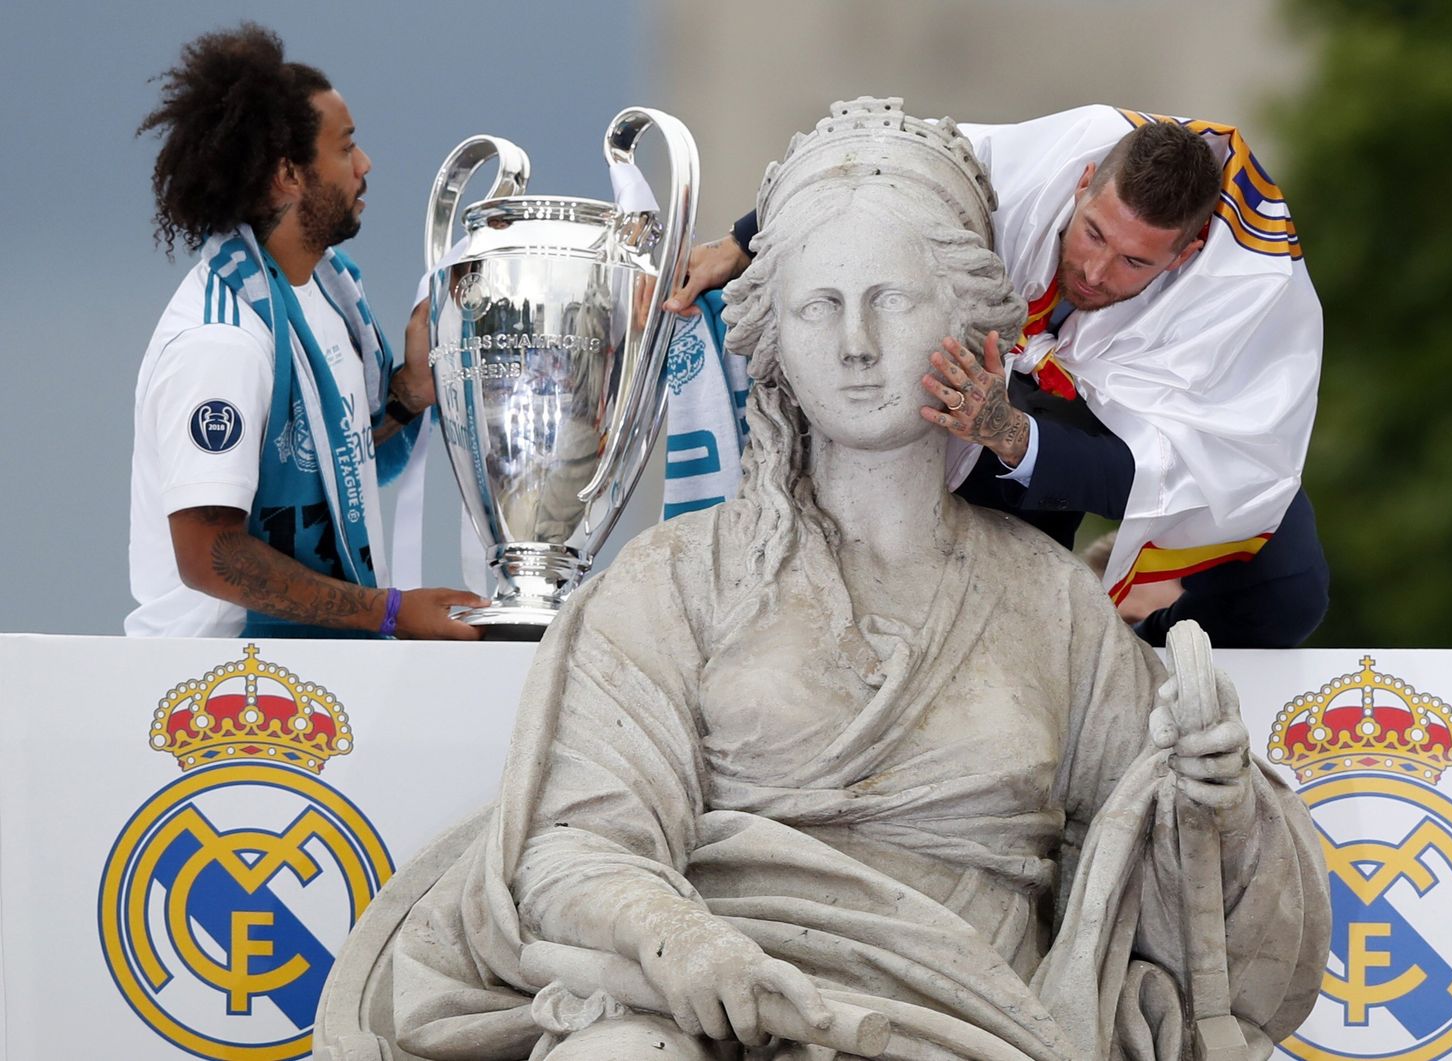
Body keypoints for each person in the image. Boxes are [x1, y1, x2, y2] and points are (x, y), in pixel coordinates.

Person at [388, 99, 1328, 1061]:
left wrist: (1217, 801)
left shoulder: (1056, 602)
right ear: (778, 340)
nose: (856, 345)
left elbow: (1186, 899)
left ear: (967, 321)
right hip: (714, 1006)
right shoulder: (677, 578)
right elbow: (575, 847)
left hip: (969, 1017)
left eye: (893, 299)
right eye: (817, 305)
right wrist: (686, 946)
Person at [667, 105, 1329, 649]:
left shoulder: (1242, 306)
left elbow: (1159, 478)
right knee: (996, 481)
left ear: (1186, 254)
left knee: (1291, 585)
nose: (1097, 272)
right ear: (1084, 180)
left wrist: (1011, 433)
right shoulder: (1038, 162)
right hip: (1002, 380)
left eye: (1134, 260)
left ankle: (1131, 652)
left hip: (1123, 426)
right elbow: (878, 159)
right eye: (1093, 233)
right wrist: (742, 239)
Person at [125, 23, 484, 639]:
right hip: (217, 692)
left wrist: (409, 395)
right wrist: (390, 612)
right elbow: (208, 552)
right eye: (346, 148)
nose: (365, 165)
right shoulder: (223, 340)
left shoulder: (326, 293)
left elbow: (332, 461)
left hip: (317, 679)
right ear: (289, 174)